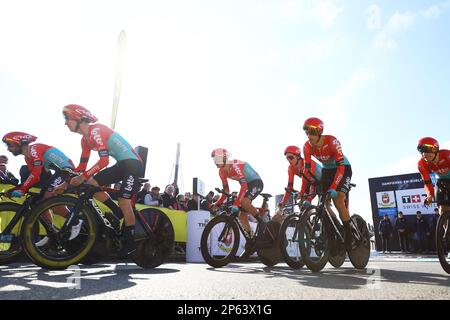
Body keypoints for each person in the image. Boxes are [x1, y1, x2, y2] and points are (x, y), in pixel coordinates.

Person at [63, 104, 144, 258]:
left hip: (133, 164)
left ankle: (130, 239)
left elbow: (104, 161)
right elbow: (81, 167)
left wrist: (82, 176)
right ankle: (116, 211)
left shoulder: (96, 131)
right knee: (91, 184)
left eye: (67, 118)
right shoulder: (84, 140)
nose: (65, 123)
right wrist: (66, 182)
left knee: (124, 200)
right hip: (121, 164)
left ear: (79, 118)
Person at [2, 131, 82, 244]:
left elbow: (36, 173)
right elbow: (35, 177)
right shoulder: (27, 158)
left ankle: (76, 222)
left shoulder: (34, 149)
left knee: (47, 199)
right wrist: (16, 189)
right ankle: (51, 232)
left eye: (10, 145)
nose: (9, 149)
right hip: (59, 172)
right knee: (40, 202)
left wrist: (22, 189)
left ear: (20, 142)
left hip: (67, 171)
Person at [302, 117, 354, 252]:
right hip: (327, 170)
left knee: (338, 200)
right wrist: (305, 192)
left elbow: (341, 168)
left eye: (311, 132)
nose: (309, 136)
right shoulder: (307, 146)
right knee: (323, 202)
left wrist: (333, 187)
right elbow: (307, 171)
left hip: (342, 168)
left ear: (319, 131)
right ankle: (335, 229)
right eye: (306, 132)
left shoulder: (332, 141)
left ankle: (349, 235)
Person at [210, 148, 264, 255]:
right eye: (214, 159)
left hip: (256, 182)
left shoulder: (234, 165)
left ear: (225, 158)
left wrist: (236, 203)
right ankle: (252, 239)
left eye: (217, 159)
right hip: (247, 186)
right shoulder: (221, 172)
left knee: (243, 202)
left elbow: (243, 186)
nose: (215, 162)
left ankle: (263, 224)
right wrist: (217, 203)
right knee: (241, 215)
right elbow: (226, 191)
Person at [278, 145, 322, 210]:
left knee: (324, 205)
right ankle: (305, 218)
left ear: (298, 156)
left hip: (321, 180)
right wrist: (283, 203)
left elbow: (308, 180)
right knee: (302, 203)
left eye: (291, 157)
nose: (289, 160)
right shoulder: (291, 168)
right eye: (287, 158)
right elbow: (289, 187)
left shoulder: (307, 162)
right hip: (309, 182)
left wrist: (301, 193)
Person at [417, 137, 450, 216]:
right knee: (442, 209)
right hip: (441, 181)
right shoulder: (421, 164)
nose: (425, 157)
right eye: (423, 155)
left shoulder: (447, 155)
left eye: (429, 155)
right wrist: (429, 195)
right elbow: (427, 182)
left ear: (436, 150)